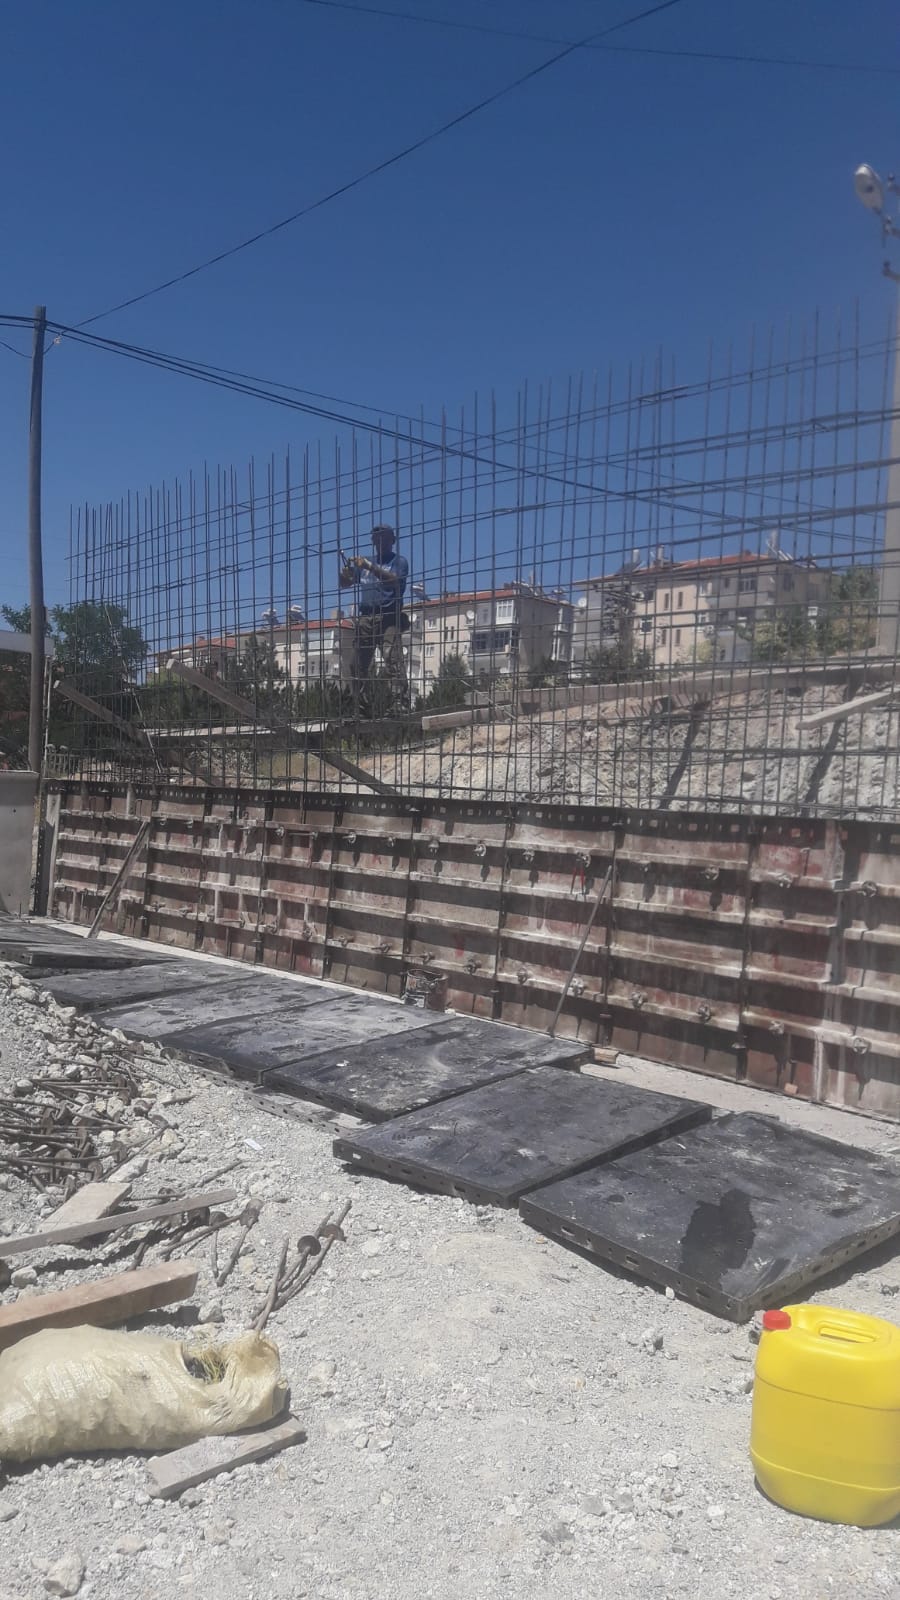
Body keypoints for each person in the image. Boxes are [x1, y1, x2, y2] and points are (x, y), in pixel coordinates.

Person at [340, 523, 410, 715]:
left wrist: (369, 566)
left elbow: (394, 580)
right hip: (366, 617)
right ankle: (359, 705)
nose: (380, 541)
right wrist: (345, 574)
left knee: (392, 657)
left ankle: (399, 703)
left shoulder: (398, 561)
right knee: (357, 663)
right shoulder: (365, 564)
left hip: (389, 616)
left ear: (392, 540)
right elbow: (344, 584)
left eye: (384, 538)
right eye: (376, 538)